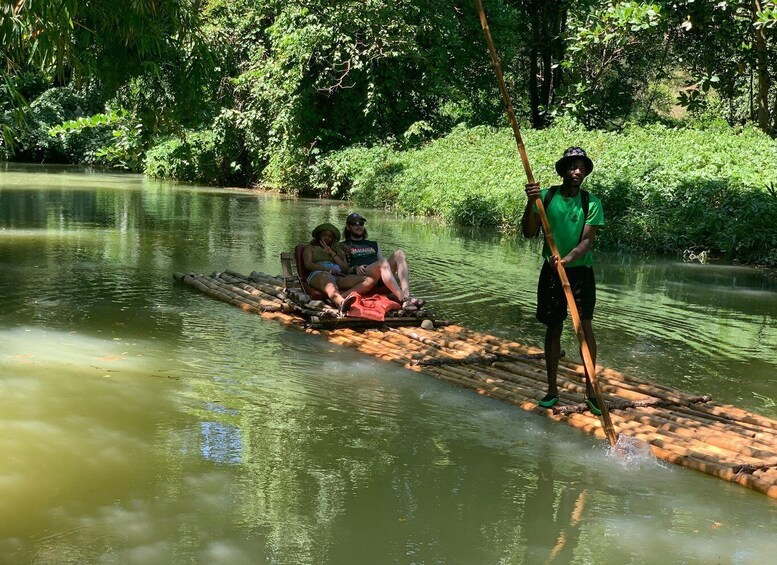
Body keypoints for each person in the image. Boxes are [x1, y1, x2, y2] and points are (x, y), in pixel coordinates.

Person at [521, 147, 605, 414]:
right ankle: (552, 390)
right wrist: (530, 202)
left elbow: (587, 241)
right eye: (572, 167)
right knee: (553, 326)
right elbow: (528, 232)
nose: (577, 171)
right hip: (551, 272)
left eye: (581, 167)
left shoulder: (590, 202)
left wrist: (568, 259)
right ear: (563, 171)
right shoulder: (546, 197)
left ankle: (591, 391)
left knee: (584, 329)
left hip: (579, 272)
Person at [338, 212, 424, 312]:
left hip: (378, 270)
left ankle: (406, 294)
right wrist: (354, 268)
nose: (358, 226)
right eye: (354, 224)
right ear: (348, 227)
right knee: (383, 262)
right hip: (363, 273)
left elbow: (381, 261)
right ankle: (403, 299)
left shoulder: (373, 244)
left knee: (399, 253)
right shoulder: (343, 245)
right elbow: (342, 268)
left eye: (361, 223)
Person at [302, 223, 376, 312]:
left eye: (330, 236)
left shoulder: (337, 249)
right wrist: (328, 270)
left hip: (337, 275)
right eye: (324, 235)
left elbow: (344, 268)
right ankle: (341, 303)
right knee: (329, 282)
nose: (327, 238)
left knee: (369, 281)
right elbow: (308, 264)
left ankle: (340, 298)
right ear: (319, 236)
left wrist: (332, 254)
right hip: (319, 274)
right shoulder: (310, 248)